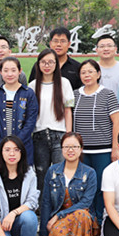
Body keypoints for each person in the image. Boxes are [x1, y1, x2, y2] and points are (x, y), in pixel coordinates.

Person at [73, 60, 119, 227]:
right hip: (82, 151)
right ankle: (88, 220)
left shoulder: (107, 94)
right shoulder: (75, 95)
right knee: (84, 187)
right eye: (83, 72)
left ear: (98, 74)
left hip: (103, 150)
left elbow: (117, 122)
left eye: (90, 72)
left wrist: (115, 147)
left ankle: (101, 221)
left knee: (102, 186)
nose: (87, 75)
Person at [39, 133, 99, 236]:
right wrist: (44, 234)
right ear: (61, 149)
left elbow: (86, 202)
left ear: (81, 149)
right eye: (66, 147)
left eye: (74, 147)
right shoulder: (52, 171)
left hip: (80, 221)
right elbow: (46, 202)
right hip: (58, 222)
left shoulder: (90, 173)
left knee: (82, 214)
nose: (70, 150)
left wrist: (58, 216)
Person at [28, 48, 74, 190]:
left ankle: (60, 203)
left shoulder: (64, 83)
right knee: (41, 174)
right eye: (43, 62)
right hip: (39, 136)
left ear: (56, 64)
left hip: (59, 135)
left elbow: (68, 110)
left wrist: (68, 134)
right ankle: (42, 204)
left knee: (60, 174)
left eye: (50, 62)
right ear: (38, 64)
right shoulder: (32, 85)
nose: (47, 65)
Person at [0, 57, 38, 167]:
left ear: (20, 71)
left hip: (23, 146)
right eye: (6, 70)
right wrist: (1, 143)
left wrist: (16, 143)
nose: (9, 74)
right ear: (0, 72)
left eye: (13, 70)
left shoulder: (28, 93)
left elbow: (31, 121)